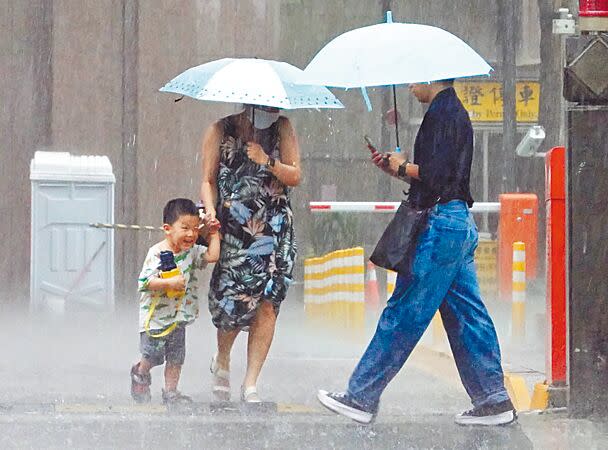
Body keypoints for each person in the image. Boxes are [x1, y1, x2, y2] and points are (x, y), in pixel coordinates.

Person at [317, 80, 516, 426]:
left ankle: (361, 396)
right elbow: (442, 177)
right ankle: (493, 399)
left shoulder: (442, 114)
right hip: (456, 222)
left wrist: (402, 166)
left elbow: (436, 176)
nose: (410, 86)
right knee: (467, 315)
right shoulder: (453, 112)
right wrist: (397, 168)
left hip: (440, 227)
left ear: (432, 78)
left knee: (405, 311)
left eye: (415, 80)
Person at [200, 105, 300, 403]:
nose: (273, 110)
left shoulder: (282, 128)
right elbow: (208, 179)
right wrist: (210, 216)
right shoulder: (220, 129)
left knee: (268, 304)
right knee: (232, 303)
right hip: (235, 229)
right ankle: (223, 359)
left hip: (274, 228)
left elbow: (295, 174)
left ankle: (251, 382)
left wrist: (268, 161)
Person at [130, 198, 221, 404]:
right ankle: (140, 372)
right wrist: (168, 283)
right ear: (167, 229)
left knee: (176, 357)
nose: (191, 234)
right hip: (155, 319)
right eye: (185, 228)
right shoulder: (157, 254)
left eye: (195, 229)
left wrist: (214, 233)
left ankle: (171, 392)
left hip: (178, 318)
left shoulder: (191, 251)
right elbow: (144, 283)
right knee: (153, 356)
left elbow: (212, 256)